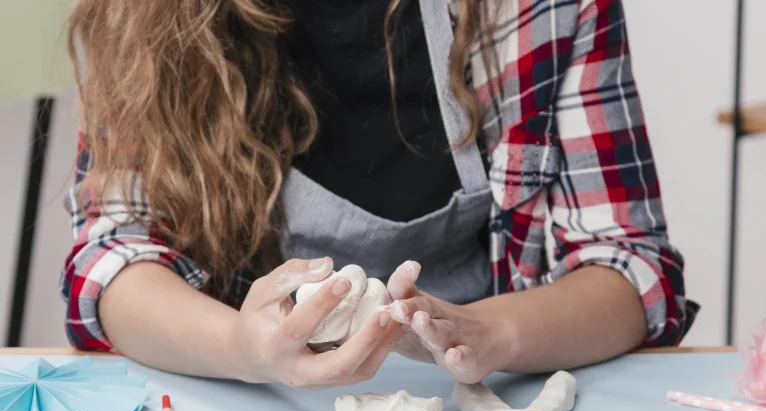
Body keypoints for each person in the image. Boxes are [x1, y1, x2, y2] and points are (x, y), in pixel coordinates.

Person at [60, 0, 697, 388]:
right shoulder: (150, 20)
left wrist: (488, 332)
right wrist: (246, 349)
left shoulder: (542, 12)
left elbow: (631, 269)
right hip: (243, 396)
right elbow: (113, 261)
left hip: (484, 392)